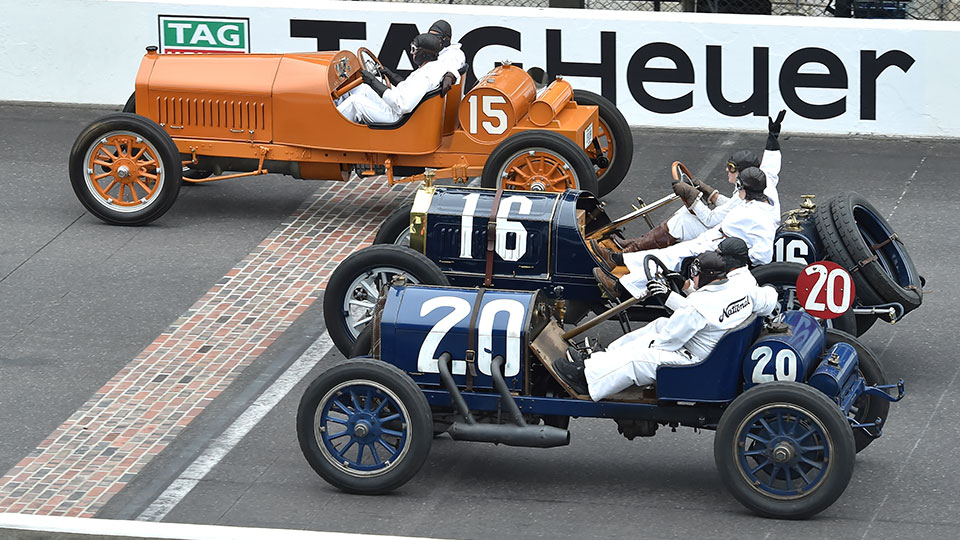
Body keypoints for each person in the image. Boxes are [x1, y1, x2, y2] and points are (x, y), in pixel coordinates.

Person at [554, 249, 779, 401]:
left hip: (698, 362)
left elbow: (669, 341)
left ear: (707, 276)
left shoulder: (699, 304)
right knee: (659, 324)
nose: (692, 278)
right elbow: (768, 297)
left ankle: (586, 379)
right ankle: (597, 360)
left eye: (695, 273)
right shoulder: (739, 288)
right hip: (716, 351)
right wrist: (671, 296)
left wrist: (647, 347)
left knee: (639, 358)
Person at [595, 110, 785, 257]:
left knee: (683, 220)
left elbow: (712, 219)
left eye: (731, 168)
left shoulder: (746, 201)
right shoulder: (761, 180)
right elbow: (771, 160)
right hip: (749, 232)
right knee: (685, 216)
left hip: (737, 239)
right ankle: (634, 245)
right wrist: (773, 136)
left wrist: (692, 197)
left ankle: (626, 253)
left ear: (744, 174)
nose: (727, 170)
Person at [593, 165, 780, 300]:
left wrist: (734, 253)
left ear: (746, 189)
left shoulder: (760, 217)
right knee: (668, 253)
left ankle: (620, 286)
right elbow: (770, 167)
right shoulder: (761, 198)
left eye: (739, 187)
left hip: (720, 250)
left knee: (668, 261)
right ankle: (618, 259)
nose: (736, 191)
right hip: (713, 238)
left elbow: (762, 257)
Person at [337, 33, 456, 125]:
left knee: (355, 102)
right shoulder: (436, 66)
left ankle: (325, 131)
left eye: (414, 50)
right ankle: (336, 106)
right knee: (362, 88)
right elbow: (408, 90)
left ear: (424, 54)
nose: (411, 52)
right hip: (401, 109)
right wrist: (391, 75)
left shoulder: (425, 76)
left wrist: (374, 82)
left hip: (398, 119)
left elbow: (403, 106)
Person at [377, 20, 466, 95]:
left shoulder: (453, 54)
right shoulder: (432, 57)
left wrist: (450, 75)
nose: (432, 40)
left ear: (446, 41)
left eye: (436, 37)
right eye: (430, 36)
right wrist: (392, 75)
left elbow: (455, 62)